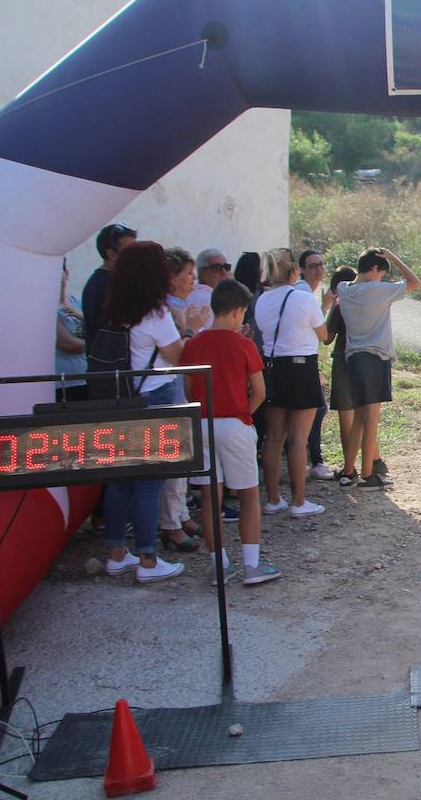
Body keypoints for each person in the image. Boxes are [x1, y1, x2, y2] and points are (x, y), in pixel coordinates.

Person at [181, 279, 279, 585]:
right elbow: (260, 391)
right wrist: (243, 415)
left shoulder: (193, 343)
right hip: (235, 424)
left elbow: (187, 390)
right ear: (238, 311)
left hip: (201, 423)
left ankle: (219, 565)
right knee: (249, 494)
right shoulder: (244, 344)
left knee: (211, 496)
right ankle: (251, 565)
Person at [99, 241, 186, 583]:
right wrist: (189, 331)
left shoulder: (115, 310)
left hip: (122, 400)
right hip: (154, 396)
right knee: (150, 481)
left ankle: (116, 553)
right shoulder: (156, 313)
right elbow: (178, 356)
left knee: (121, 480)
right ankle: (149, 560)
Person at [337, 248, 421, 490]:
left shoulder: (344, 288)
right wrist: (394, 257)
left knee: (359, 419)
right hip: (374, 358)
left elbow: (344, 285)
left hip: (353, 358)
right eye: (382, 273)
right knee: (371, 419)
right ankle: (367, 475)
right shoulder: (376, 289)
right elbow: (414, 283)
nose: (382, 278)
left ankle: (348, 471)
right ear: (374, 269)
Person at [254, 248, 327, 518]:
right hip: (302, 367)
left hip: (273, 368)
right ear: (294, 271)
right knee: (298, 439)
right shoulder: (303, 298)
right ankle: (299, 501)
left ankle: (273, 499)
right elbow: (323, 334)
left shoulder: (262, 300)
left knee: (273, 438)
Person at [160, 247, 209, 552]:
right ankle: (170, 522)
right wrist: (192, 329)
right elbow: (181, 356)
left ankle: (180, 514)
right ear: (172, 278)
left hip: (177, 387)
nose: (193, 278)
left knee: (184, 453)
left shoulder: (180, 305)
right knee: (174, 455)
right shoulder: (167, 309)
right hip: (169, 386)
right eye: (188, 273)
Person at [296, 249, 336, 481]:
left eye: (321, 264)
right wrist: (325, 306)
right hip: (302, 362)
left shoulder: (303, 293)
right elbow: (322, 334)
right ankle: (315, 462)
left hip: (303, 360)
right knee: (317, 409)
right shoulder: (304, 295)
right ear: (301, 270)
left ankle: (311, 461)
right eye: (312, 266)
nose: (318, 269)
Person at [322, 267, 360, 486]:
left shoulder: (340, 305)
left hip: (344, 359)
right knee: (366, 414)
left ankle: (349, 467)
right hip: (368, 361)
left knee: (347, 418)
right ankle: (374, 462)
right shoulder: (368, 302)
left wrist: (326, 309)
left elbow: (327, 338)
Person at [81, 222, 136, 346]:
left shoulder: (110, 281)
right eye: (130, 251)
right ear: (111, 254)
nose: (136, 256)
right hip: (109, 363)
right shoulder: (103, 286)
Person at [55, 259, 87, 402]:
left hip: (86, 380)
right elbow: (68, 344)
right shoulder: (44, 307)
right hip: (62, 385)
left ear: (66, 273)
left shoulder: (77, 302)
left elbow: (98, 328)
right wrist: (96, 344)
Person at [185, 248, 232, 330]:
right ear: (201, 272)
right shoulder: (208, 299)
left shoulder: (190, 293)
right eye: (216, 268)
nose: (224, 273)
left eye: (226, 267)